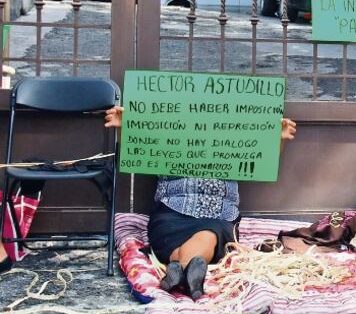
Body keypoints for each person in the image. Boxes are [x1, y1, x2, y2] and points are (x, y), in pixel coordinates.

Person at [105, 106, 297, 300]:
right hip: (171, 214)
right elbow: (138, 151)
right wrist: (124, 128)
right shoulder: (167, 139)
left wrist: (278, 139)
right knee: (198, 236)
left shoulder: (235, 143)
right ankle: (189, 275)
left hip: (219, 216)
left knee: (209, 233)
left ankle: (178, 271)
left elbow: (262, 161)